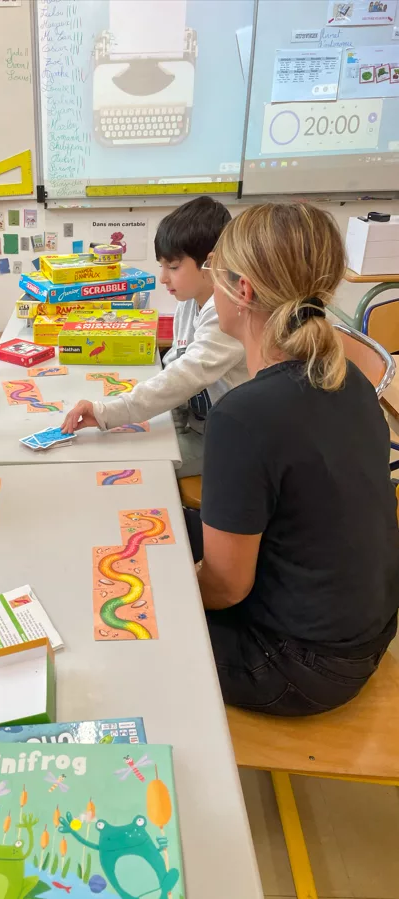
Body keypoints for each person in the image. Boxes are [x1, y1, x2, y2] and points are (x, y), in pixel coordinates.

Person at [192, 202, 399, 716]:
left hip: (298, 666)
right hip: (362, 634)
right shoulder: (347, 376)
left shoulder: (243, 417)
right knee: (165, 528)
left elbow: (224, 586)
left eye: (215, 272)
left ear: (242, 291)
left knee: (128, 625)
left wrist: (158, 590)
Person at [62, 197, 248, 477]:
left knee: (133, 466)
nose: (163, 278)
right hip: (192, 421)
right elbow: (176, 359)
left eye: (172, 267)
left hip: (225, 441)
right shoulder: (190, 298)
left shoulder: (227, 311)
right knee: (117, 445)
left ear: (213, 263)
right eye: (162, 266)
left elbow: (185, 376)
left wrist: (107, 412)